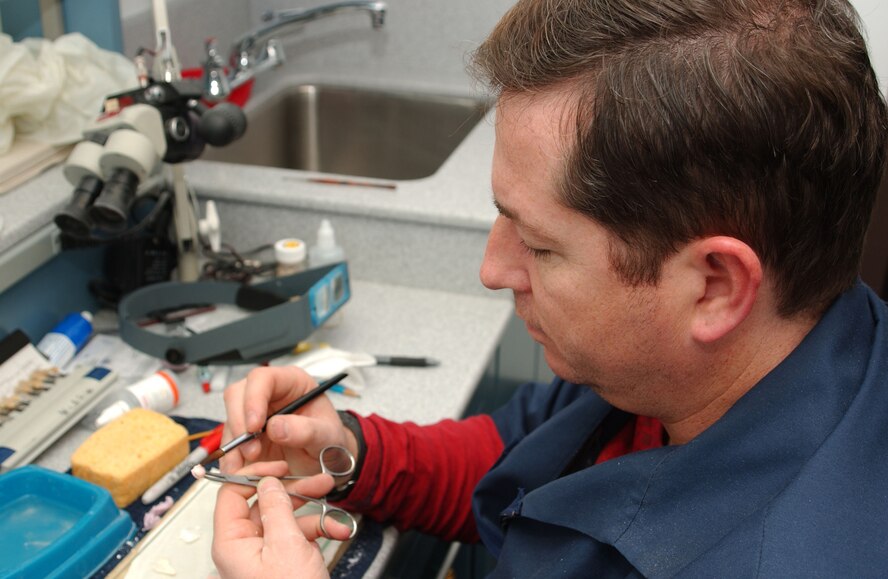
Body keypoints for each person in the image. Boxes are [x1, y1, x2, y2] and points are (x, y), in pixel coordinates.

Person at [212, 0, 888, 576]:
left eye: (537, 244)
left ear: (713, 286)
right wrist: (354, 452)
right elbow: (527, 456)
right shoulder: (676, 370)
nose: (494, 269)